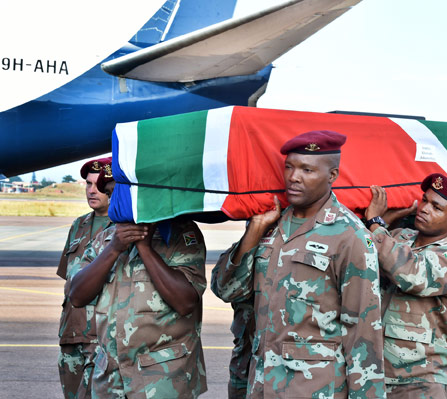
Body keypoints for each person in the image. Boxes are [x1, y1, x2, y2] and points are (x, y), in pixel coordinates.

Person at [211, 130, 386, 398]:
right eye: (289, 167)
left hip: (314, 388)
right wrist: (254, 232)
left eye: (307, 170)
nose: (294, 177)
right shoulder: (270, 224)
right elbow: (226, 290)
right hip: (260, 383)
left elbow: (364, 332)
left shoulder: (350, 236)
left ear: (332, 176)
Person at [68, 204, 208, 396]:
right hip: (110, 379)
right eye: (112, 194)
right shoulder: (104, 239)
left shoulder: (180, 234)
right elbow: (77, 296)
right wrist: (114, 248)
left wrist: (145, 248)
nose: (115, 200)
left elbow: (185, 302)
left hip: (162, 380)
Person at [364, 174, 447, 399]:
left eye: (436, 207)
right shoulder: (400, 237)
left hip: (421, 378)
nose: (424, 208)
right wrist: (384, 221)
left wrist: (376, 223)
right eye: (424, 200)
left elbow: (408, 273)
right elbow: (362, 251)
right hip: (376, 372)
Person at [56, 157, 113, 399]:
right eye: (87, 184)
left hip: (102, 339)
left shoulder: (124, 227)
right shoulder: (78, 225)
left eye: (98, 185)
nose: (91, 190)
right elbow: (68, 279)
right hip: (72, 334)